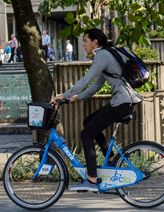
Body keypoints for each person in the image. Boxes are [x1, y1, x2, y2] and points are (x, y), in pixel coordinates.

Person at [55, 28, 142, 192]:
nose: (83, 44)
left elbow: (86, 80)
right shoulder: (106, 55)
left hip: (122, 102)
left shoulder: (102, 56)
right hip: (124, 101)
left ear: (95, 42)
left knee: (86, 134)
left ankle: (92, 179)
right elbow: (96, 85)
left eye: (85, 40)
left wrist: (63, 95)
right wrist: (75, 98)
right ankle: (111, 158)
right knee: (88, 122)